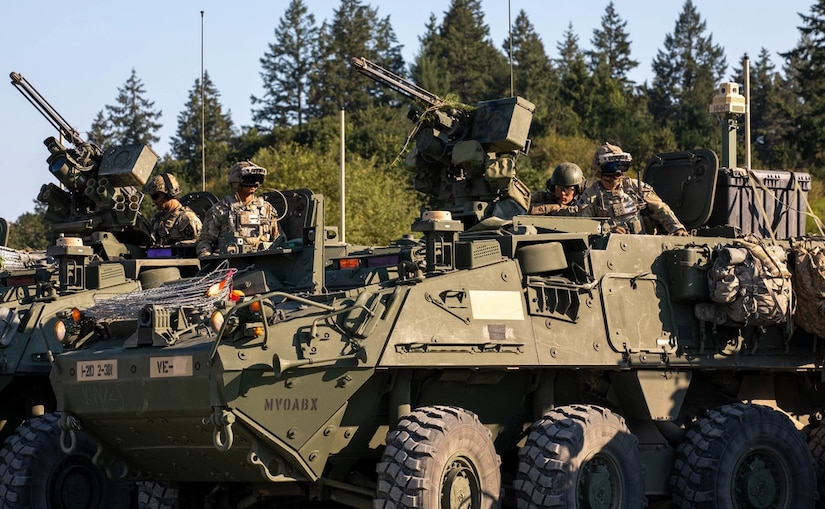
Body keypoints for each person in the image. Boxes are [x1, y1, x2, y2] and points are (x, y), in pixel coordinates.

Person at [578, 143, 689, 235]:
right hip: (610, 250)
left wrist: (677, 228)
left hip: (644, 244)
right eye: (611, 167)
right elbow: (582, 225)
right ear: (599, 169)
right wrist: (607, 230)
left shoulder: (636, 187)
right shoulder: (591, 195)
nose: (617, 172)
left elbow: (660, 208)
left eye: (621, 165)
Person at [196, 161, 281, 256]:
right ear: (236, 182)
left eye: (258, 179)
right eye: (249, 179)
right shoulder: (220, 210)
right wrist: (210, 261)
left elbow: (278, 239)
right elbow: (205, 241)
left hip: (264, 263)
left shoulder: (267, 209)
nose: (254, 183)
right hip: (230, 265)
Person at [144, 173, 202, 246]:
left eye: (155, 196)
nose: (154, 201)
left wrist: (176, 246)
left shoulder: (187, 218)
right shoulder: (157, 219)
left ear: (168, 194)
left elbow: (199, 244)